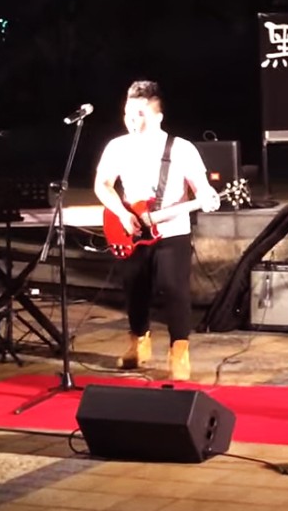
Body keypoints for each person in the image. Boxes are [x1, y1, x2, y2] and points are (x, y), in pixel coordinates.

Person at [94, 80, 220, 381]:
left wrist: (206, 197)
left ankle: (179, 350)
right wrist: (123, 215)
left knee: (173, 289)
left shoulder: (181, 148)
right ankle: (138, 343)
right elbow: (103, 185)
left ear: (158, 116)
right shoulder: (117, 146)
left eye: (140, 114)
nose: (132, 121)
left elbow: (201, 188)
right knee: (135, 289)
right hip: (129, 228)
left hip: (172, 230)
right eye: (128, 114)